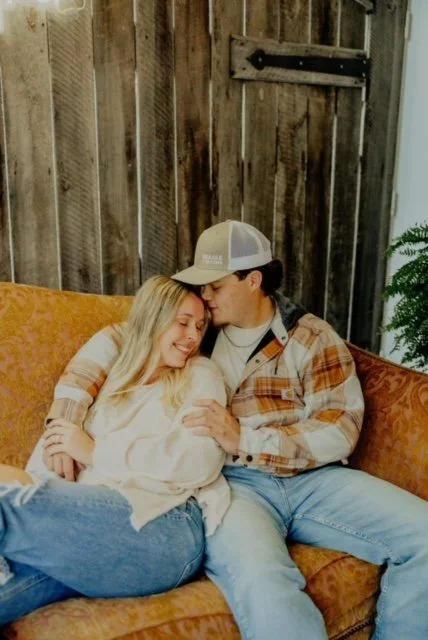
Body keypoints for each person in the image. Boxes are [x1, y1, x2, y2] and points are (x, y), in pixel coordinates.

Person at [0, 275, 229, 627]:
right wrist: (45, 484)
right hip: (90, 531)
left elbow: (201, 461)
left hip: (165, 528)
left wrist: (96, 452)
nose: (193, 337)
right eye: (183, 323)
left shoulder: (201, 374)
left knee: (7, 502)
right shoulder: (115, 379)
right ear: (153, 319)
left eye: (199, 327)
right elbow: (58, 448)